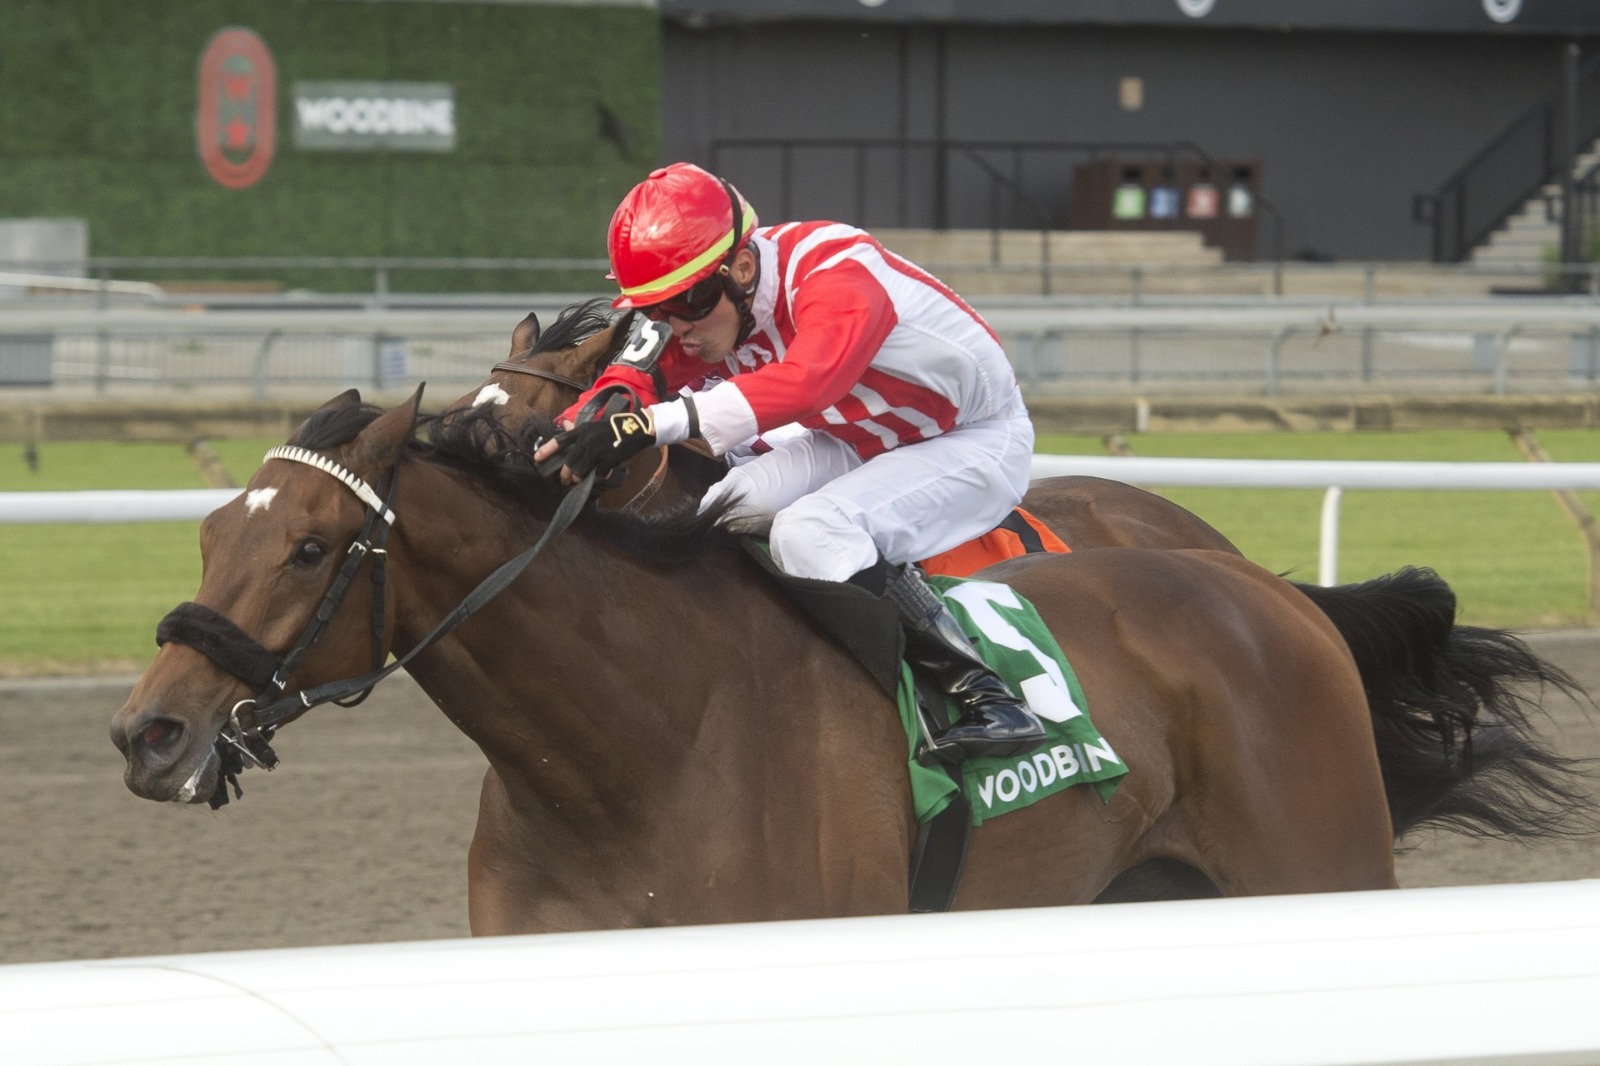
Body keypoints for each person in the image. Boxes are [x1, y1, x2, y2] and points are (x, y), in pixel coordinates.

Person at [534, 162, 1043, 764]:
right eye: (657, 310)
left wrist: (650, 424)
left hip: (974, 437)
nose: (675, 327)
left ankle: (987, 697)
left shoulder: (837, 272)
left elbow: (808, 385)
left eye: (686, 303)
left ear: (742, 268)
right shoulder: (714, 307)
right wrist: (574, 429)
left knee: (811, 531)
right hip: (861, 436)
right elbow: (634, 376)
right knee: (723, 508)